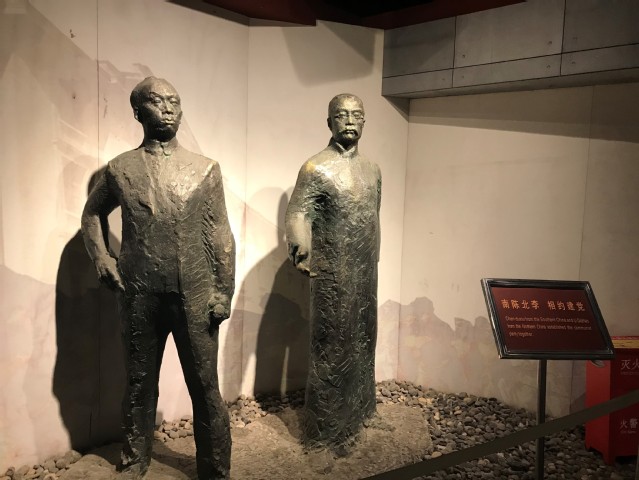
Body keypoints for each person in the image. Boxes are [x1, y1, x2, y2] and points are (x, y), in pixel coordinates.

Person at [81, 77, 235, 479]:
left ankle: (215, 467)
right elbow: (92, 214)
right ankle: (135, 459)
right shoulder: (121, 168)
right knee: (139, 382)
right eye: (156, 101)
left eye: (174, 102)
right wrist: (102, 257)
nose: (167, 109)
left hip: (194, 294)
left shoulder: (204, 169)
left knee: (205, 385)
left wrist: (224, 289)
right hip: (138, 293)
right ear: (137, 112)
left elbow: (220, 232)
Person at [285, 94, 381, 454]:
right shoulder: (316, 168)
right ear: (329, 122)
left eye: (357, 115)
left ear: (364, 121)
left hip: (365, 270)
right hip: (333, 273)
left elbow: (374, 217)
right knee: (331, 347)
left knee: (365, 339)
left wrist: (373, 258)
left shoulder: (372, 170)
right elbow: (297, 212)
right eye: (342, 115)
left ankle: (363, 412)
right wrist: (300, 244)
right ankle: (323, 433)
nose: (350, 121)